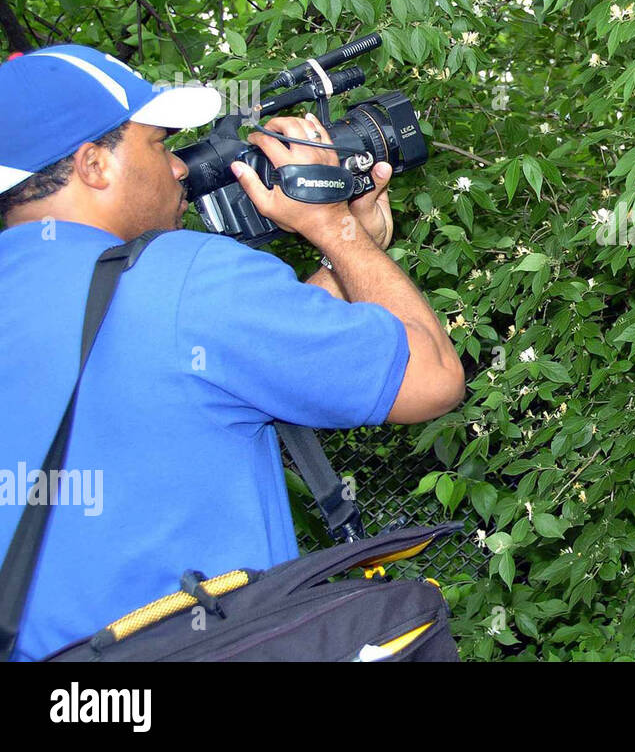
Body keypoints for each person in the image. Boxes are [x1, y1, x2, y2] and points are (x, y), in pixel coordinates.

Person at [0, 45, 464, 661]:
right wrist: (338, 230)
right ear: (93, 165)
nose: (178, 169)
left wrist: (344, 257)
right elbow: (430, 377)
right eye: (158, 144)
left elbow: (254, 361)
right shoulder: (178, 278)